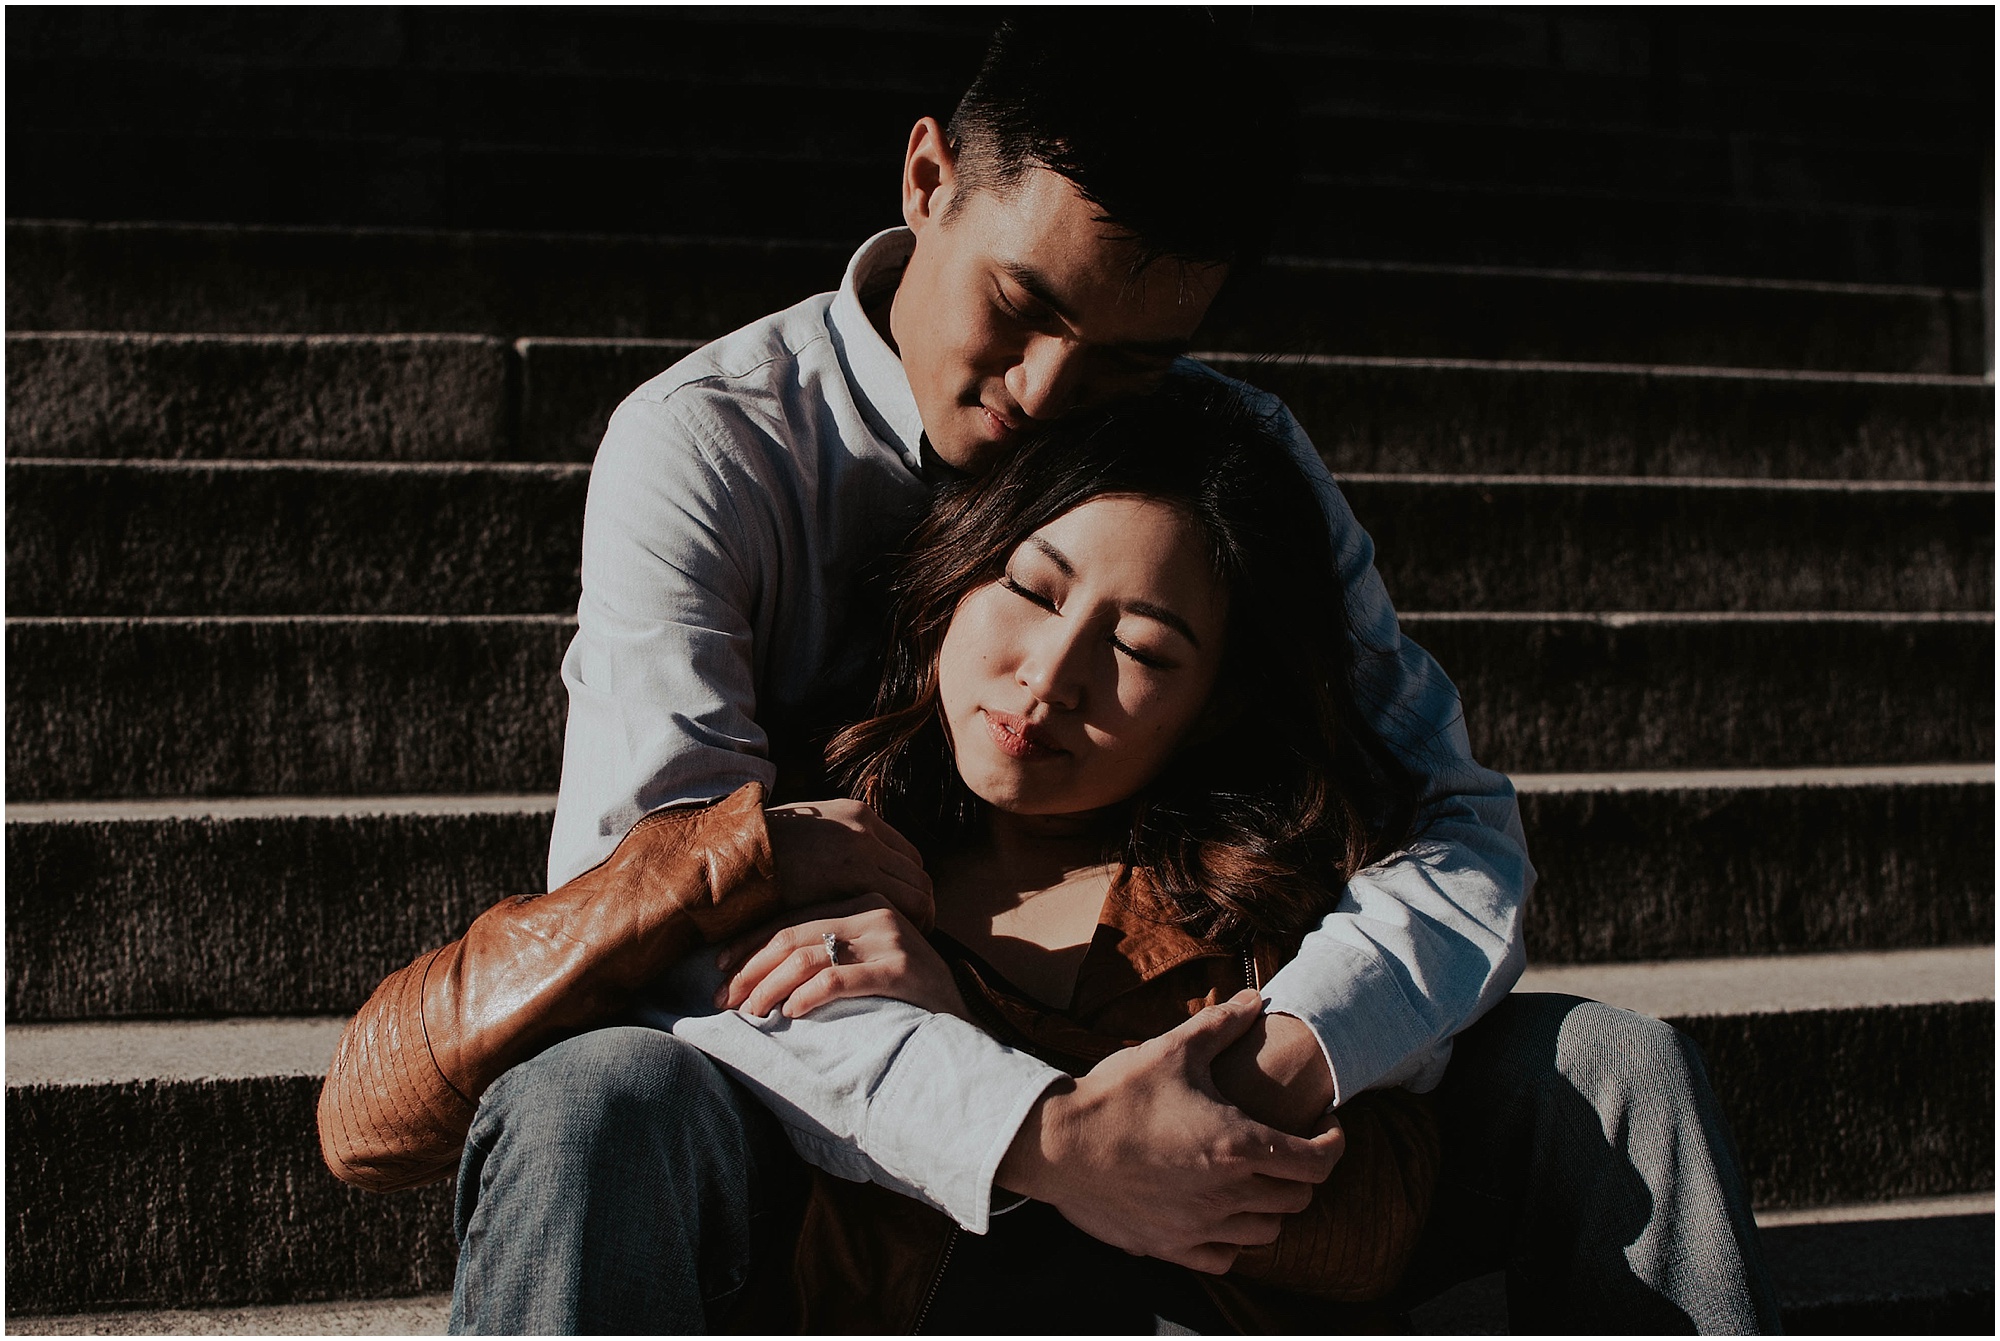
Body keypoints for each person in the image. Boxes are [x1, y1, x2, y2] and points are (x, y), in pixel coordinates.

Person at [319, 12, 1780, 1333]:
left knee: (1613, 1068)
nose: (1044, 402)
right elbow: (653, 925)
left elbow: (1451, 829)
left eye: (1133, 365)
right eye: (1018, 309)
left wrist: (1263, 1059)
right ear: (925, 178)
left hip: (1177, 1041)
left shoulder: (1233, 457)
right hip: (812, 1124)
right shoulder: (708, 449)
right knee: (590, 1099)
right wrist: (1044, 1129)